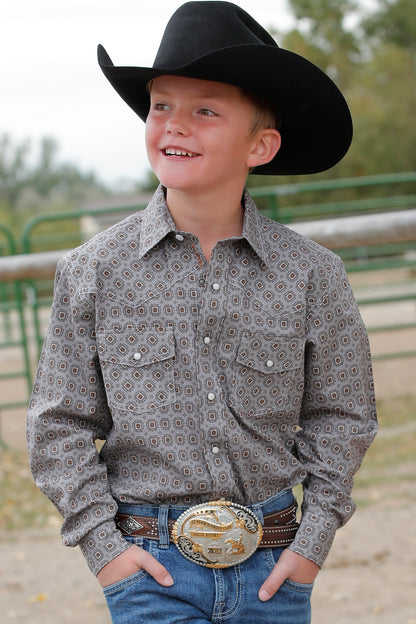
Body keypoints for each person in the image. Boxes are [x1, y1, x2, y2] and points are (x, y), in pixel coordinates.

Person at [27, 2, 377, 623]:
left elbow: (343, 413)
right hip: (149, 567)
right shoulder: (93, 271)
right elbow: (59, 425)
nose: (174, 125)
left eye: (205, 110)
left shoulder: (311, 274)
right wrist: (107, 552)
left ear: (261, 145)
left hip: (275, 566)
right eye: (161, 105)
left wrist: (313, 541)